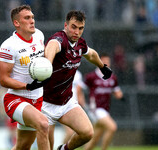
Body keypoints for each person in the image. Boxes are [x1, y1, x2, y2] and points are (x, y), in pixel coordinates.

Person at [41, 10, 113, 150]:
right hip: (45, 104)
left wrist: (102, 67)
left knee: (87, 133)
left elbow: (91, 54)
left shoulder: (80, 44)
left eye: (81, 28)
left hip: (66, 102)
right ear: (66, 25)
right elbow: (52, 46)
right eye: (73, 27)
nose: (77, 32)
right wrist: (47, 64)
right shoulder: (59, 39)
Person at [0, 5, 50, 150]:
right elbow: (3, 80)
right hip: (16, 99)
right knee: (43, 124)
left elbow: (43, 63)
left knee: (23, 146)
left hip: (37, 100)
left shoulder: (39, 35)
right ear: (17, 23)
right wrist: (27, 86)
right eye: (27, 18)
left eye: (32, 17)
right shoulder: (9, 46)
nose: (32, 21)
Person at [83, 53, 123, 150]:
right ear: (99, 62)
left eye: (107, 61)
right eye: (103, 61)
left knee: (94, 139)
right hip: (96, 109)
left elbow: (117, 92)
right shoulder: (91, 76)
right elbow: (80, 88)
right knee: (112, 127)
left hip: (105, 110)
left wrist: (120, 96)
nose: (106, 63)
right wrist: (84, 104)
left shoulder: (112, 77)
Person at [63, 70, 87, 143]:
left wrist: (82, 103)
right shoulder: (60, 69)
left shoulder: (78, 74)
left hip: (73, 107)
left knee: (77, 132)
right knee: (70, 132)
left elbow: (79, 90)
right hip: (62, 106)